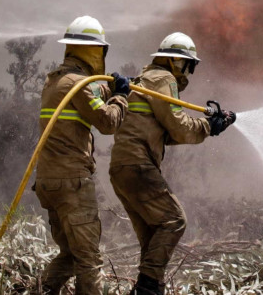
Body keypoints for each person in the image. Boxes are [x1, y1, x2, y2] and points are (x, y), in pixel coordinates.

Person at [109, 32, 236, 295]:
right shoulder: (163, 78)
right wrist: (208, 127)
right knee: (174, 220)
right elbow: (178, 127)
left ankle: (152, 288)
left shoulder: (145, 80)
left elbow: (164, 134)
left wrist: (208, 127)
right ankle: (147, 289)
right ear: (178, 63)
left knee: (153, 239)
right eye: (187, 65)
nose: (187, 72)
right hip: (139, 166)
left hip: (122, 169)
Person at [34, 15, 131, 295]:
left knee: (69, 255)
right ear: (94, 50)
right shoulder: (79, 85)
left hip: (49, 182)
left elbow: (85, 93)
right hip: (72, 183)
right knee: (88, 260)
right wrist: (120, 96)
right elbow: (108, 123)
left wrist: (110, 87)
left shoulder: (55, 81)